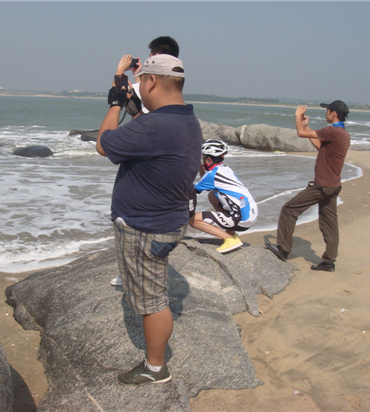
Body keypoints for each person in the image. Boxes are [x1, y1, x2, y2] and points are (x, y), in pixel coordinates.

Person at [96, 54, 202, 385]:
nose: (139, 87)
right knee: (153, 294)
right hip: (168, 221)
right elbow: (150, 135)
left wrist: (115, 102)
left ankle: (155, 368)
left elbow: (103, 144)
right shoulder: (186, 119)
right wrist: (133, 109)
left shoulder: (154, 126)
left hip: (145, 229)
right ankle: (155, 363)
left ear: (152, 81)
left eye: (141, 81)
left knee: (152, 302)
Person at [111, 36, 180, 286]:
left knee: (137, 211)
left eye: (151, 57)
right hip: (158, 149)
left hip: (145, 145)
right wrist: (140, 74)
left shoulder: (151, 86)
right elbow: (142, 92)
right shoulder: (171, 88)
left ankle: (132, 273)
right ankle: (147, 266)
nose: (147, 60)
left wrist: (119, 72)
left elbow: (104, 144)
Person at [265, 101, 351, 272]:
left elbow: (300, 133)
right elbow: (320, 146)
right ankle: (329, 262)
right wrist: (307, 126)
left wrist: (298, 117)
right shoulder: (342, 133)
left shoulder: (332, 131)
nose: (326, 113)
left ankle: (283, 249)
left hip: (322, 186)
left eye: (327, 110)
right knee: (329, 224)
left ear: (333, 113)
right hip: (333, 185)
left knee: (289, 210)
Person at [189, 139, 258, 253]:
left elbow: (192, 190)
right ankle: (231, 233)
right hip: (250, 214)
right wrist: (199, 166)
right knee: (212, 195)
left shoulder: (213, 175)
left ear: (209, 159)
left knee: (192, 220)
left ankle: (230, 239)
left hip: (241, 220)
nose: (202, 159)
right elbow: (207, 184)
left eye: (203, 157)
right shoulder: (225, 169)